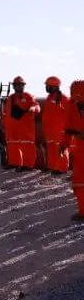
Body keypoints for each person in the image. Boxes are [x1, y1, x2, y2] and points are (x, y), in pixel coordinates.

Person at [2, 76, 40, 169]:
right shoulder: (10, 98)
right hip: (11, 128)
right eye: (16, 85)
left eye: (20, 85)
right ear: (14, 86)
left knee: (27, 145)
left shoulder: (28, 96)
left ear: (23, 86)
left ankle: (28, 165)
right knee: (12, 145)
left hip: (25, 128)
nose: (18, 87)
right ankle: (14, 163)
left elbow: (36, 106)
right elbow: (6, 113)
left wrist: (33, 108)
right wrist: (4, 125)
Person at [61, 80, 84, 221]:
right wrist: (64, 145)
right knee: (79, 183)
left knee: (80, 182)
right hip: (79, 151)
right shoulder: (71, 107)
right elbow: (68, 129)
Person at [43, 76, 70, 174]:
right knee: (51, 148)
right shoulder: (49, 97)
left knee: (60, 148)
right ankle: (54, 167)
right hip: (50, 130)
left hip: (59, 129)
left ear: (54, 86)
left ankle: (62, 169)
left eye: (48, 86)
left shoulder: (63, 98)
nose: (46, 87)